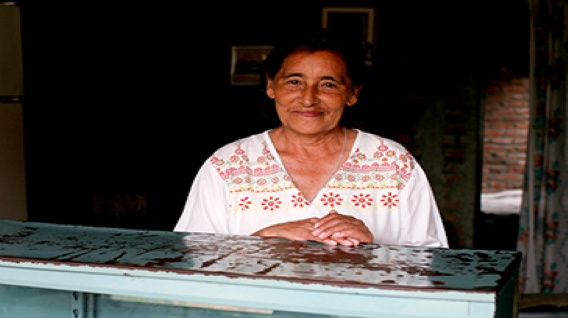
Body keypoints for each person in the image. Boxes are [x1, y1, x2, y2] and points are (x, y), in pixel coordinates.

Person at [175, 32, 448, 248]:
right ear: (271, 86)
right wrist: (264, 238)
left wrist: (371, 248)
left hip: (360, 317)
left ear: (352, 93)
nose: (308, 98)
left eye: (328, 84)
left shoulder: (391, 162)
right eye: (294, 82)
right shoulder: (230, 165)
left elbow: (429, 263)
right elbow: (193, 259)